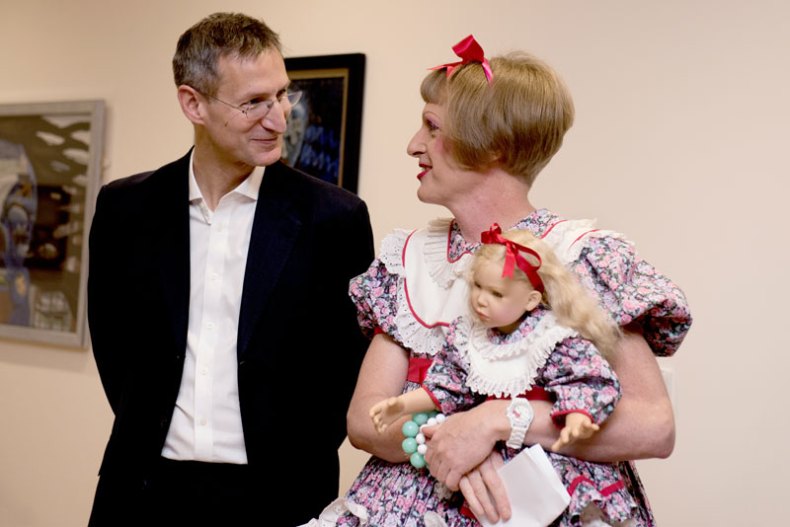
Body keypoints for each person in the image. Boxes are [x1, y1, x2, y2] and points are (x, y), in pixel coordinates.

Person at [333, 36, 691, 526]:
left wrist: (498, 423)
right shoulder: (411, 260)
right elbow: (364, 419)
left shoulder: (579, 256)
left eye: (432, 127)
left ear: (493, 148)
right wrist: (449, 438)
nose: (413, 145)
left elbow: (654, 426)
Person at [87, 12, 374, 527]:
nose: (279, 119)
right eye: (253, 103)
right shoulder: (125, 208)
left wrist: (295, 454)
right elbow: (114, 347)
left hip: (281, 497)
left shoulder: (335, 219)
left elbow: (344, 368)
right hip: (143, 490)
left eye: (283, 95)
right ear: (192, 103)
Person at [369, 225, 638, 526]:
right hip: (487, 457)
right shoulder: (470, 337)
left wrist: (576, 414)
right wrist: (403, 405)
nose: (481, 300)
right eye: (477, 287)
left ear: (531, 300)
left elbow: (588, 379)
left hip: (544, 460)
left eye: (496, 293)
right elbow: (448, 384)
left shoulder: (550, 337)